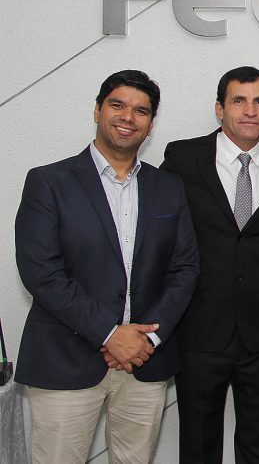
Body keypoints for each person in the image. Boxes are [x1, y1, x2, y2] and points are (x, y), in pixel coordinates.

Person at [15, 70, 199, 464]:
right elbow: (41, 271)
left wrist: (147, 340)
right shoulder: (49, 182)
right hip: (66, 360)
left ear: (151, 123)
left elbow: (185, 269)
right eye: (118, 105)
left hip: (143, 362)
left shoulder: (168, 187)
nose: (128, 117)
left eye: (141, 111)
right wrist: (110, 333)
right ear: (97, 110)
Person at [162, 66, 259, 464]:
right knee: (198, 446)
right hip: (198, 327)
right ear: (219, 109)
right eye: (239, 100)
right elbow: (163, 240)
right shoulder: (183, 157)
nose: (250, 111)